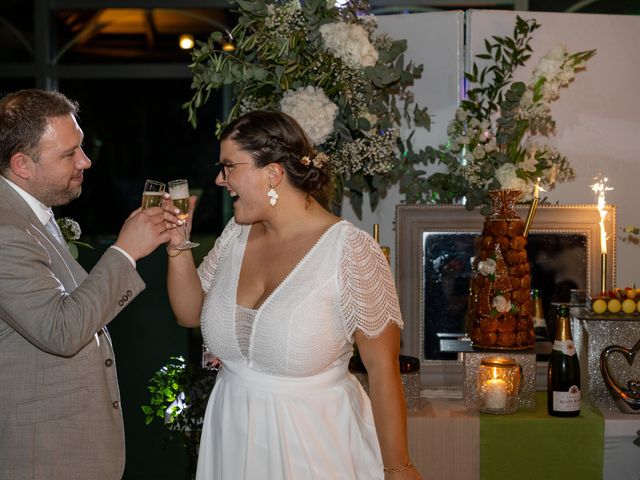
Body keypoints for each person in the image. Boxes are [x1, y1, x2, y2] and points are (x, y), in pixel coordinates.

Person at [165, 111, 422, 479]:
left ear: (273, 174)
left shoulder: (350, 251)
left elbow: (383, 370)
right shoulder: (234, 237)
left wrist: (398, 467)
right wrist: (178, 247)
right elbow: (188, 314)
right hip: (232, 440)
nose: (220, 180)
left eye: (228, 167)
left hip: (315, 447)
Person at [0, 89, 171, 479]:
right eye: (69, 154)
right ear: (22, 165)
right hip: (42, 455)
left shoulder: (30, 213)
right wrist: (126, 253)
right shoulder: (5, 230)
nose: (86, 161)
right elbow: (61, 330)